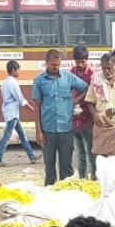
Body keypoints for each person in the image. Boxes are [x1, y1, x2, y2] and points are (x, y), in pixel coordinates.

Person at [32, 49, 87, 186]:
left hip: (66, 130)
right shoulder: (39, 81)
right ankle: (49, 196)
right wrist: (38, 131)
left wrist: (76, 100)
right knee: (49, 168)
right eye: (53, 65)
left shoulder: (68, 77)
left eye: (58, 64)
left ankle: (64, 195)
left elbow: (86, 88)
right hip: (48, 130)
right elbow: (36, 107)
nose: (55, 67)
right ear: (46, 63)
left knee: (66, 168)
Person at [0, 60, 35, 166]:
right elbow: (20, 99)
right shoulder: (13, 83)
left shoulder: (4, 83)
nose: (19, 72)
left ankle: (32, 156)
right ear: (13, 70)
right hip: (12, 113)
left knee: (22, 135)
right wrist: (32, 109)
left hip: (9, 112)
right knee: (7, 136)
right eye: (18, 70)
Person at [83, 52, 115, 161]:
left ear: (114, 66)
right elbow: (89, 102)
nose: (106, 71)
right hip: (102, 124)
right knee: (102, 160)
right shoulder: (96, 80)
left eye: (109, 68)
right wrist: (95, 116)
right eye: (104, 68)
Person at [67, 44, 96, 179]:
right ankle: (82, 179)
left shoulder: (92, 75)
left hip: (87, 118)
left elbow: (91, 95)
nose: (80, 64)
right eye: (77, 61)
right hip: (74, 118)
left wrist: (77, 100)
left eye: (82, 61)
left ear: (87, 60)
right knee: (80, 154)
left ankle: (94, 179)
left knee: (91, 153)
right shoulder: (72, 71)